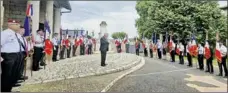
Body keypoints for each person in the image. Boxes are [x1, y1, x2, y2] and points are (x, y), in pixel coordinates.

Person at [1, 19, 21, 92]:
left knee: (12, 74)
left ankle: (8, 89)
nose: (19, 26)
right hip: (8, 56)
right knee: (7, 75)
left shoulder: (14, 34)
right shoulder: (5, 33)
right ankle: (4, 90)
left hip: (15, 55)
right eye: (17, 24)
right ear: (10, 25)